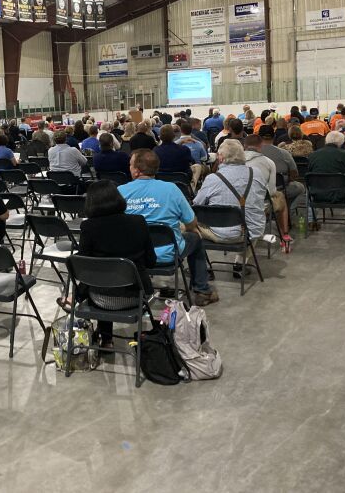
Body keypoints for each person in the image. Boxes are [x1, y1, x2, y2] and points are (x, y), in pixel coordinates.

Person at [119, 149, 217, 306]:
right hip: (167, 253)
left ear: (137, 171)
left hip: (132, 254)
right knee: (196, 237)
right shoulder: (171, 190)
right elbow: (191, 223)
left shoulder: (120, 192)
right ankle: (202, 290)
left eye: (130, 165)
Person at [74, 180, 156, 349]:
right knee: (108, 279)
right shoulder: (138, 221)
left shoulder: (88, 227)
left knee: (100, 278)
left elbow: (83, 269)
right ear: (118, 199)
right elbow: (151, 261)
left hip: (100, 299)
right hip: (137, 297)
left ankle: (107, 339)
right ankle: (106, 338)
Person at [194, 140, 268, 275]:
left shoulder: (212, 179)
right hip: (249, 233)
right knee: (253, 217)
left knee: (184, 224)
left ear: (221, 158)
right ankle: (239, 263)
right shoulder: (256, 173)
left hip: (218, 232)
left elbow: (197, 205)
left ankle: (201, 269)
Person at [307, 131, 345, 231]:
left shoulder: (313, 155)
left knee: (309, 188)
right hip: (341, 194)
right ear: (341, 142)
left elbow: (309, 177)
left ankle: (311, 221)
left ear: (326, 141)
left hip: (317, 194)